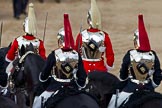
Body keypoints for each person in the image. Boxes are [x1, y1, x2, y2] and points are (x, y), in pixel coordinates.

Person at [32, 13, 87, 108]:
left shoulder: (54, 54)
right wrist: (78, 86)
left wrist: (44, 84)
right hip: (72, 87)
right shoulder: (77, 55)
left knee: (36, 104)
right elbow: (82, 77)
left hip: (54, 86)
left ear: (60, 41)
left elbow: (44, 76)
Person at [108, 14, 162, 108]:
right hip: (148, 89)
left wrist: (123, 79)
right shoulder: (153, 55)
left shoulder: (130, 54)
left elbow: (122, 74)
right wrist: (151, 85)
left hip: (130, 88)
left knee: (113, 104)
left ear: (136, 41)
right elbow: (157, 77)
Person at [5, 3, 46, 76]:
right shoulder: (39, 42)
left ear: (24, 27)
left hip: (20, 68)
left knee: (8, 72)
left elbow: (9, 57)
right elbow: (43, 59)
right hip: (35, 69)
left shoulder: (18, 40)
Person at [75, 0, 114, 74]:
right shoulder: (104, 35)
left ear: (88, 19)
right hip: (100, 68)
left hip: (84, 69)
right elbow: (110, 55)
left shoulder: (81, 35)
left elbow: (76, 52)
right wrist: (109, 65)